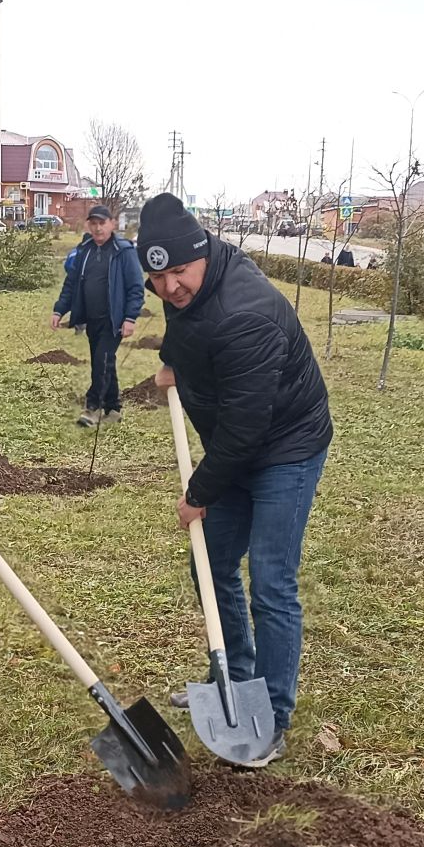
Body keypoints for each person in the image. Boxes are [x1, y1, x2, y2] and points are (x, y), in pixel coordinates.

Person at [139, 192, 332, 764]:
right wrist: (176, 360)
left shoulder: (246, 311)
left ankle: (271, 713)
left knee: (272, 584)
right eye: (158, 275)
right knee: (212, 564)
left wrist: (199, 493)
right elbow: (185, 325)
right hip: (236, 445)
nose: (171, 287)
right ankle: (233, 676)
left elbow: (248, 431)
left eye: (179, 271)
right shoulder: (192, 283)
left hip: (284, 449)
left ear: (200, 255)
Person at [51, 203, 145, 426]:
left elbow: (136, 287)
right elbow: (71, 283)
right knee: (104, 362)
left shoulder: (124, 251)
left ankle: (92, 408)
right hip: (91, 319)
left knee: (101, 362)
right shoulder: (85, 250)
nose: (98, 228)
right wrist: (59, 309)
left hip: (114, 321)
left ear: (112, 224)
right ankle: (113, 409)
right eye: (93, 224)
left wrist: (130, 317)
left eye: (102, 223)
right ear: (88, 225)